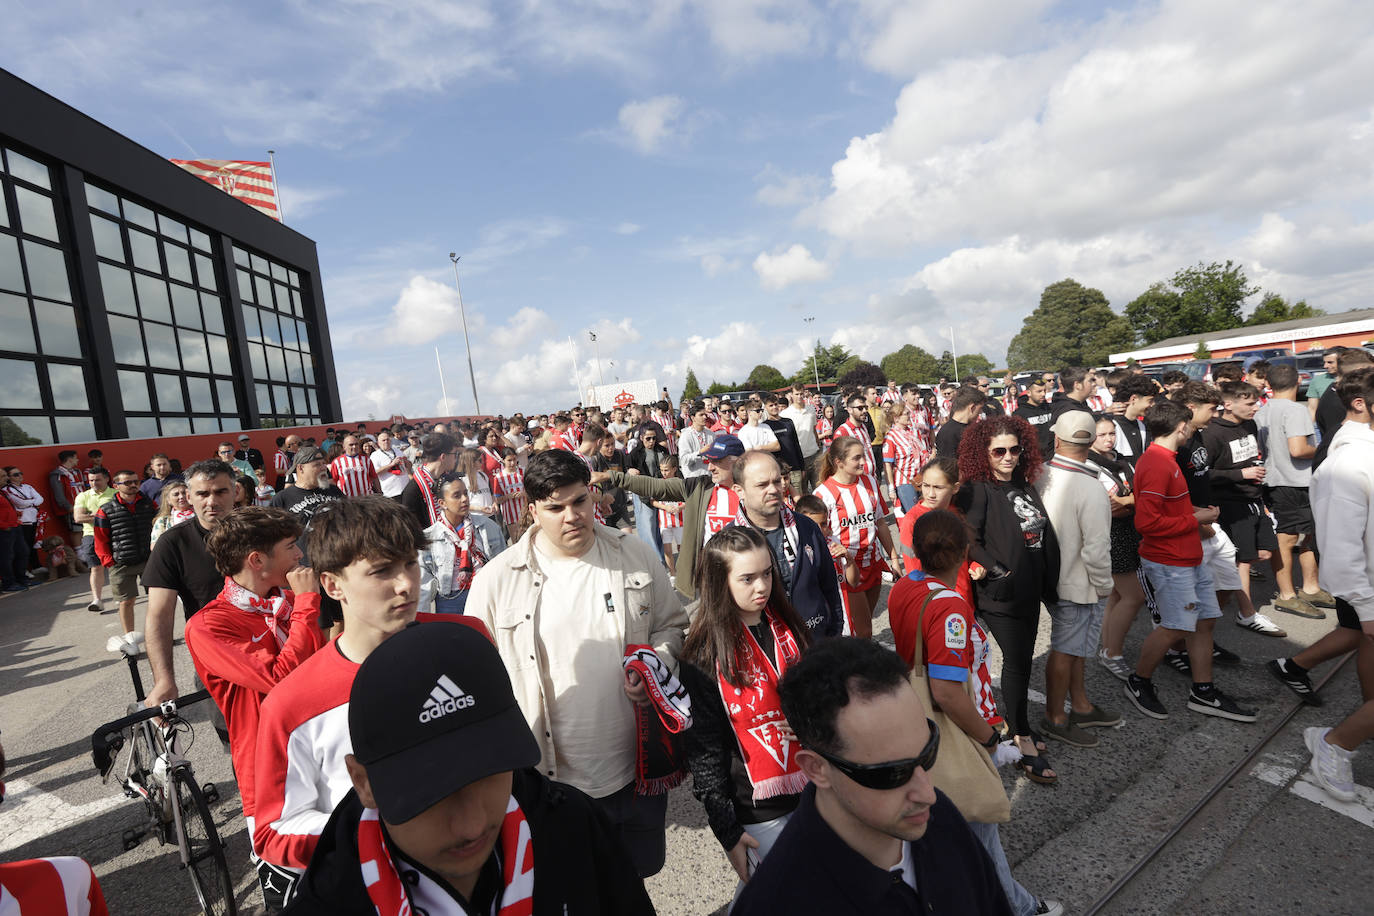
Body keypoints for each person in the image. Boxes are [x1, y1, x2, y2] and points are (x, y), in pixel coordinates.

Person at [282, 620, 655, 915]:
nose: (473, 825)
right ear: (363, 782)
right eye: (431, 794)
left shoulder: (575, 826)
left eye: (490, 771)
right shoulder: (327, 902)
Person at [465, 449, 688, 878]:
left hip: (637, 770)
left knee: (636, 880)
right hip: (549, 784)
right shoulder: (494, 582)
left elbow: (672, 626)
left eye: (579, 501)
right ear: (532, 510)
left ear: (592, 496)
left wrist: (656, 665)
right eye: (555, 507)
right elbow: (478, 685)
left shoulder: (636, 554)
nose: (571, 516)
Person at [733, 637, 1013, 916]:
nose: (928, 793)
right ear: (816, 768)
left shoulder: (942, 818)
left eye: (927, 753)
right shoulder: (775, 902)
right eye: (891, 773)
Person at [888, 510, 1061, 916]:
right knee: (981, 834)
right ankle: (1015, 908)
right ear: (964, 553)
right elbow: (948, 691)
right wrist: (990, 738)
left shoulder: (903, 587)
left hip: (916, 724)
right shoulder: (950, 608)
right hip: (953, 729)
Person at [184, 507, 326, 904]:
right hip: (271, 773)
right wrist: (307, 604)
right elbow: (281, 679)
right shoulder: (209, 624)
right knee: (295, 894)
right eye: (290, 547)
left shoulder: (285, 604)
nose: (300, 555)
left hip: (322, 751)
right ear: (256, 560)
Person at [679, 526, 812, 893]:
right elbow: (704, 752)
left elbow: (824, 697)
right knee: (776, 893)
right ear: (720, 582)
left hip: (816, 783)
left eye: (767, 573)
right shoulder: (704, 654)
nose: (762, 586)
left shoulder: (789, 626)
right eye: (748, 578)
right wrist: (728, 831)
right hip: (756, 806)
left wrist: (812, 724)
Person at [1124, 400, 1257, 723]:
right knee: (1175, 627)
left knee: (1204, 622)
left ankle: (1203, 690)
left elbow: (1169, 511)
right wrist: (1197, 519)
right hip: (1170, 561)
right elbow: (1147, 523)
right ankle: (1138, 681)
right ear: (1181, 426)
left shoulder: (1165, 459)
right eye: (1189, 427)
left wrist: (1198, 515)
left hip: (1187, 556)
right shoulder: (1157, 463)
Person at [954, 414, 1061, 784]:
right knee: (1016, 663)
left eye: (1015, 449)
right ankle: (1021, 734)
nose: (1008, 457)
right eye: (999, 450)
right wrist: (998, 569)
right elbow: (968, 537)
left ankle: (1020, 724)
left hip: (1030, 588)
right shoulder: (978, 489)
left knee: (1023, 661)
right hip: (1002, 595)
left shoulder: (1021, 482)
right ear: (983, 453)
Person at [1304, 366, 1374, 801]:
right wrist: (1366, 610)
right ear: (1360, 403)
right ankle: (1335, 743)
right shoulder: (1346, 463)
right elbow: (1339, 549)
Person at [1035, 413, 1119, 748]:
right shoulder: (1092, 488)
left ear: (1057, 440)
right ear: (1090, 443)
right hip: (1078, 581)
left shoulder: (1040, 474)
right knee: (1067, 649)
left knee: (1073, 647)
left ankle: (1080, 706)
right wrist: (1105, 586)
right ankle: (1056, 717)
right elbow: (1097, 550)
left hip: (1050, 576)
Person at [140, 459, 240, 709]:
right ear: (188, 496)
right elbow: (159, 615)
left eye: (220, 491)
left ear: (235, 491)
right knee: (238, 744)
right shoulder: (172, 544)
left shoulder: (260, 533)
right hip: (216, 660)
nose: (211, 501)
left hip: (274, 652)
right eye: (202, 493)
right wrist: (163, 679)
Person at [599, 433, 745, 600]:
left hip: (746, 577)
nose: (710, 467)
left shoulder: (754, 492)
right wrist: (611, 476)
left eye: (717, 461)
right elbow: (654, 486)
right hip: (713, 580)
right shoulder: (700, 487)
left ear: (737, 462)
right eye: (709, 461)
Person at [1197, 382, 1286, 635]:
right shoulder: (1212, 433)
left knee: (1264, 553)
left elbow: (1250, 456)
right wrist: (1241, 474)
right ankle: (1247, 614)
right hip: (1229, 503)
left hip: (1254, 500)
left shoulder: (1249, 424)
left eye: (1256, 402)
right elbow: (1204, 473)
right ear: (1228, 404)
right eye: (1249, 403)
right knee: (1242, 561)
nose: (1256, 407)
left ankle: (1217, 608)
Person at [729, 451, 843, 638]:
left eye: (776, 481)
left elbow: (829, 585)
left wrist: (834, 634)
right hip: (767, 654)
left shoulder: (807, 527)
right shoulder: (728, 543)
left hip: (817, 644)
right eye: (762, 485)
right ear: (739, 490)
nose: (774, 489)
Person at [1256, 362, 1333, 618]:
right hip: (1292, 482)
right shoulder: (1294, 410)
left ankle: (1310, 587)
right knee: (1288, 540)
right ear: (1299, 382)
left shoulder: (1261, 411)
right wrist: (1326, 450)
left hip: (1277, 481)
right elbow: (1298, 449)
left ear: (1268, 384)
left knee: (1308, 536)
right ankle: (1288, 595)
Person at [813, 436, 899, 639]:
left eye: (864, 456)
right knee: (864, 631)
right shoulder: (823, 493)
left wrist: (894, 558)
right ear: (839, 462)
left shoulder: (869, 481)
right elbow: (819, 536)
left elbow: (880, 523)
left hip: (874, 563)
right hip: (848, 569)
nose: (864, 462)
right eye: (857, 458)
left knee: (864, 623)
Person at [1085, 415, 1147, 681]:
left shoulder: (1120, 460)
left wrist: (1129, 501)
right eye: (1102, 435)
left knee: (1117, 596)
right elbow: (1110, 507)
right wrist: (1133, 500)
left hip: (1128, 532)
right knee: (1134, 596)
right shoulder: (1089, 466)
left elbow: (1127, 500)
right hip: (1111, 536)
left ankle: (1108, 648)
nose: (1109, 439)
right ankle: (1112, 653)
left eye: (1112, 433)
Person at [418, 472, 507, 614]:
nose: (465, 499)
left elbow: (504, 569)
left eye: (466, 493)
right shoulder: (429, 538)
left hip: (484, 595)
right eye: (457, 495)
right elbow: (423, 587)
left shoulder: (487, 527)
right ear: (442, 503)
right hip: (449, 602)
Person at [92, 470, 158, 652]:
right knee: (126, 602)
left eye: (135, 481)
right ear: (116, 486)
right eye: (127, 482)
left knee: (156, 600)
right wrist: (108, 561)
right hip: (121, 564)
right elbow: (100, 538)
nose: (133, 485)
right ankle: (131, 639)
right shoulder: (105, 510)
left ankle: (158, 635)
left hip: (148, 560)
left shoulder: (149, 504)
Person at [271, 448, 346, 563]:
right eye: (317, 465)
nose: (323, 468)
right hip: (308, 567)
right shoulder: (282, 499)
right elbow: (274, 538)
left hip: (341, 559)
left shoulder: (334, 491)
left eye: (323, 464)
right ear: (301, 468)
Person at [71, 467, 116, 611]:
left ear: (106, 479)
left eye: (97, 480)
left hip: (115, 533)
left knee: (116, 566)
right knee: (96, 568)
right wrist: (103, 516)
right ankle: (97, 599)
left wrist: (91, 516)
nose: (94, 483)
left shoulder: (116, 494)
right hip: (91, 535)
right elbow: (78, 518)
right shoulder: (82, 496)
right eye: (91, 480)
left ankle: (120, 595)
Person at [399, 432, 459, 528]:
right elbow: (412, 529)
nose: (456, 459)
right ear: (443, 457)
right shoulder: (413, 490)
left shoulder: (448, 480)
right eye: (455, 454)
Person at [883, 402, 925, 513]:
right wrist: (891, 488)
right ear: (896, 418)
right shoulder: (891, 437)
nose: (909, 416)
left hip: (919, 479)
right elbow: (887, 465)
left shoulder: (910, 432)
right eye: (906, 414)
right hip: (904, 482)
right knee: (914, 515)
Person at [2, 467, 43, 577]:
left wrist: (30, 502)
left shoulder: (28, 486)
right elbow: (20, 503)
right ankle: (23, 571)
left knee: (32, 543)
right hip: (23, 520)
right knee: (23, 547)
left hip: (34, 518)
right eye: (16, 475)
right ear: (9, 477)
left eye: (20, 473)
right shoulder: (7, 489)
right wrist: (33, 502)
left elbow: (40, 499)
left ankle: (36, 566)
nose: (20, 476)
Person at [781, 386, 820, 492]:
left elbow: (814, 430)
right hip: (798, 460)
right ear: (791, 395)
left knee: (819, 488)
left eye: (801, 394)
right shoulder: (785, 414)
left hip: (814, 455)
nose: (799, 396)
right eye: (797, 394)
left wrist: (818, 446)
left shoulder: (811, 409)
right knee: (802, 492)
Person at [934, 386, 988, 458]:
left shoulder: (972, 428)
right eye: (980, 409)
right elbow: (947, 466)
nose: (980, 412)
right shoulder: (948, 433)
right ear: (972, 407)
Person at [834, 393, 877, 478]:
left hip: (871, 477)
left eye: (866, 408)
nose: (864, 411)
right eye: (860, 408)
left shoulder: (863, 427)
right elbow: (838, 462)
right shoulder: (842, 432)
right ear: (849, 410)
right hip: (857, 481)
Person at [48, 449, 84, 548]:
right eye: (76, 458)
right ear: (70, 459)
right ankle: (80, 554)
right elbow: (58, 493)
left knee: (85, 530)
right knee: (76, 530)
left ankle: (86, 552)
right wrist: (68, 507)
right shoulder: (57, 474)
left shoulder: (77, 472)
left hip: (84, 506)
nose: (78, 460)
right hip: (72, 508)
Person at [0, 468, 26, 593]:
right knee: (6, 557)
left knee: (22, 552)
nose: (7, 478)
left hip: (15, 526)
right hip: (5, 530)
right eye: (3, 476)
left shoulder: (3, 491)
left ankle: (22, 580)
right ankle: (8, 584)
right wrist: (4, 525)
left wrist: (15, 515)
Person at [149, 480, 194, 547]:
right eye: (176, 494)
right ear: (168, 500)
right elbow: (155, 547)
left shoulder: (201, 516)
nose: (181, 497)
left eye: (184, 493)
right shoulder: (163, 521)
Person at [678, 401, 716, 479]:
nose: (705, 417)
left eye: (705, 415)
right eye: (701, 415)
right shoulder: (686, 435)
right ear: (693, 418)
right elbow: (684, 460)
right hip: (694, 478)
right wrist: (700, 452)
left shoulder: (711, 433)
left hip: (710, 476)